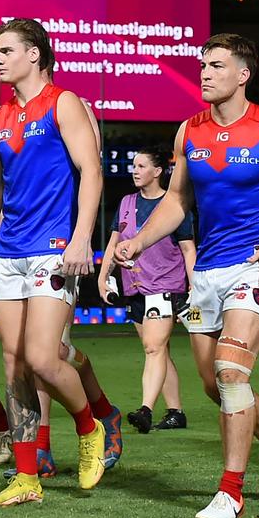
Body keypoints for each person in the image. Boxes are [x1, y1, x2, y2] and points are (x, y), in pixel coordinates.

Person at [116, 33, 259, 518]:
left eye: (215, 65)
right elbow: (177, 201)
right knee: (217, 385)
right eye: (202, 65)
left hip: (253, 266)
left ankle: (230, 491)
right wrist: (140, 241)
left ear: (242, 74)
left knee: (231, 374)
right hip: (206, 272)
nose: (204, 73)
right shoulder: (189, 132)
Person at [0, 18, 106, 508]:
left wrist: (81, 239)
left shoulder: (64, 103)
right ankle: (27, 475)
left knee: (41, 357)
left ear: (34, 54)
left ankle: (88, 427)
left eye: (7, 50)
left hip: (53, 247)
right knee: (13, 363)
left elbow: (91, 171)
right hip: (7, 251)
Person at [98, 147, 194, 434]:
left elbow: (188, 249)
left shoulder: (174, 205)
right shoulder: (126, 203)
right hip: (135, 287)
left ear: (158, 171)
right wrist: (103, 276)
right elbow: (113, 243)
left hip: (164, 285)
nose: (135, 170)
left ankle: (146, 410)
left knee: (154, 348)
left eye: (141, 166)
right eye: (133, 165)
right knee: (157, 350)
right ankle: (176, 412)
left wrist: (195, 289)